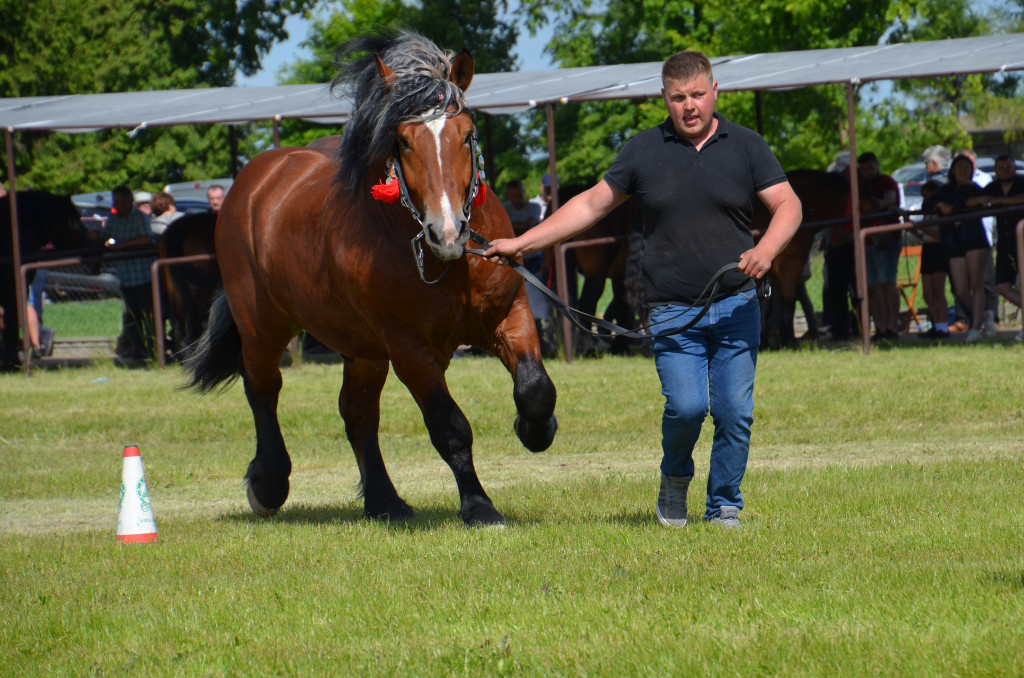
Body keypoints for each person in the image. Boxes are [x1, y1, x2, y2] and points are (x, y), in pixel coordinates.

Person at [485, 50, 802, 529]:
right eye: (679, 98)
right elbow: (591, 205)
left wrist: (768, 250)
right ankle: (674, 480)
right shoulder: (642, 150)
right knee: (688, 407)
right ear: (665, 98)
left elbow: (788, 205)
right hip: (674, 311)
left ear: (716, 92)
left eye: (698, 94)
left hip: (737, 303)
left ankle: (724, 506)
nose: (689, 106)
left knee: (735, 414)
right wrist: (521, 243)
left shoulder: (747, 146)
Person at [923, 155, 990, 343]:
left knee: (976, 285)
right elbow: (927, 203)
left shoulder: (975, 189)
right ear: (952, 170)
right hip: (953, 242)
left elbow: (984, 199)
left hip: (974, 240)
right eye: (960, 167)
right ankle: (985, 316)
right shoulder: (945, 191)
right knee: (960, 290)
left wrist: (967, 204)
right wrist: (939, 204)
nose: (964, 171)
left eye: (967, 168)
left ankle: (975, 327)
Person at [100, 185, 157, 364]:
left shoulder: (140, 218)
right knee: (133, 317)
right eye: (114, 201)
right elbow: (105, 237)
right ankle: (139, 352)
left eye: (117, 201)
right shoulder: (113, 219)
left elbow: (147, 239)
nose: (115, 205)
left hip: (144, 277)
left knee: (149, 315)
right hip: (126, 277)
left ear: (128, 201)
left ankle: (154, 350)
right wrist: (99, 239)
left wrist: (121, 246)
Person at [968, 154, 1024, 323]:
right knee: (1001, 286)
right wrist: (981, 200)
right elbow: (971, 201)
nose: (1005, 171)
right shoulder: (993, 186)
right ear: (995, 171)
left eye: (1008, 167)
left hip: (1022, 242)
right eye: (1000, 168)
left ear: (1014, 167)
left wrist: (1000, 201)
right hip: (1005, 244)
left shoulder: (1022, 182)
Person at [503, 180, 555, 355]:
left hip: (532, 261)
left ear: (524, 192)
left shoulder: (533, 207)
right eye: (513, 196)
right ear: (508, 196)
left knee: (537, 306)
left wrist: (511, 228)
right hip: (511, 263)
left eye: (519, 195)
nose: (517, 199)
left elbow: (531, 224)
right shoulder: (506, 209)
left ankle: (544, 344)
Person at [858, 151, 902, 341]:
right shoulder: (860, 185)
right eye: (864, 169)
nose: (867, 172)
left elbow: (889, 202)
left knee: (887, 283)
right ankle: (881, 328)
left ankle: (891, 327)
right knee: (873, 286)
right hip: (867, 241)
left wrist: (875, 203)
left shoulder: (886, 182)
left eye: (870, 168)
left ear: (877, 165)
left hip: (886, 239)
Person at [915, 179, 951, 339]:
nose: (925, 201)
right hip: (927, 249)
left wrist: (920, 228)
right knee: (928, 293)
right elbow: (924, 234)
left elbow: (939, 235)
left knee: (938, 291)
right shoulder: (927, 214)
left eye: (927, 196)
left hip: (938, 250)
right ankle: (936, 325)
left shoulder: (940, 212)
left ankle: (943, 327)